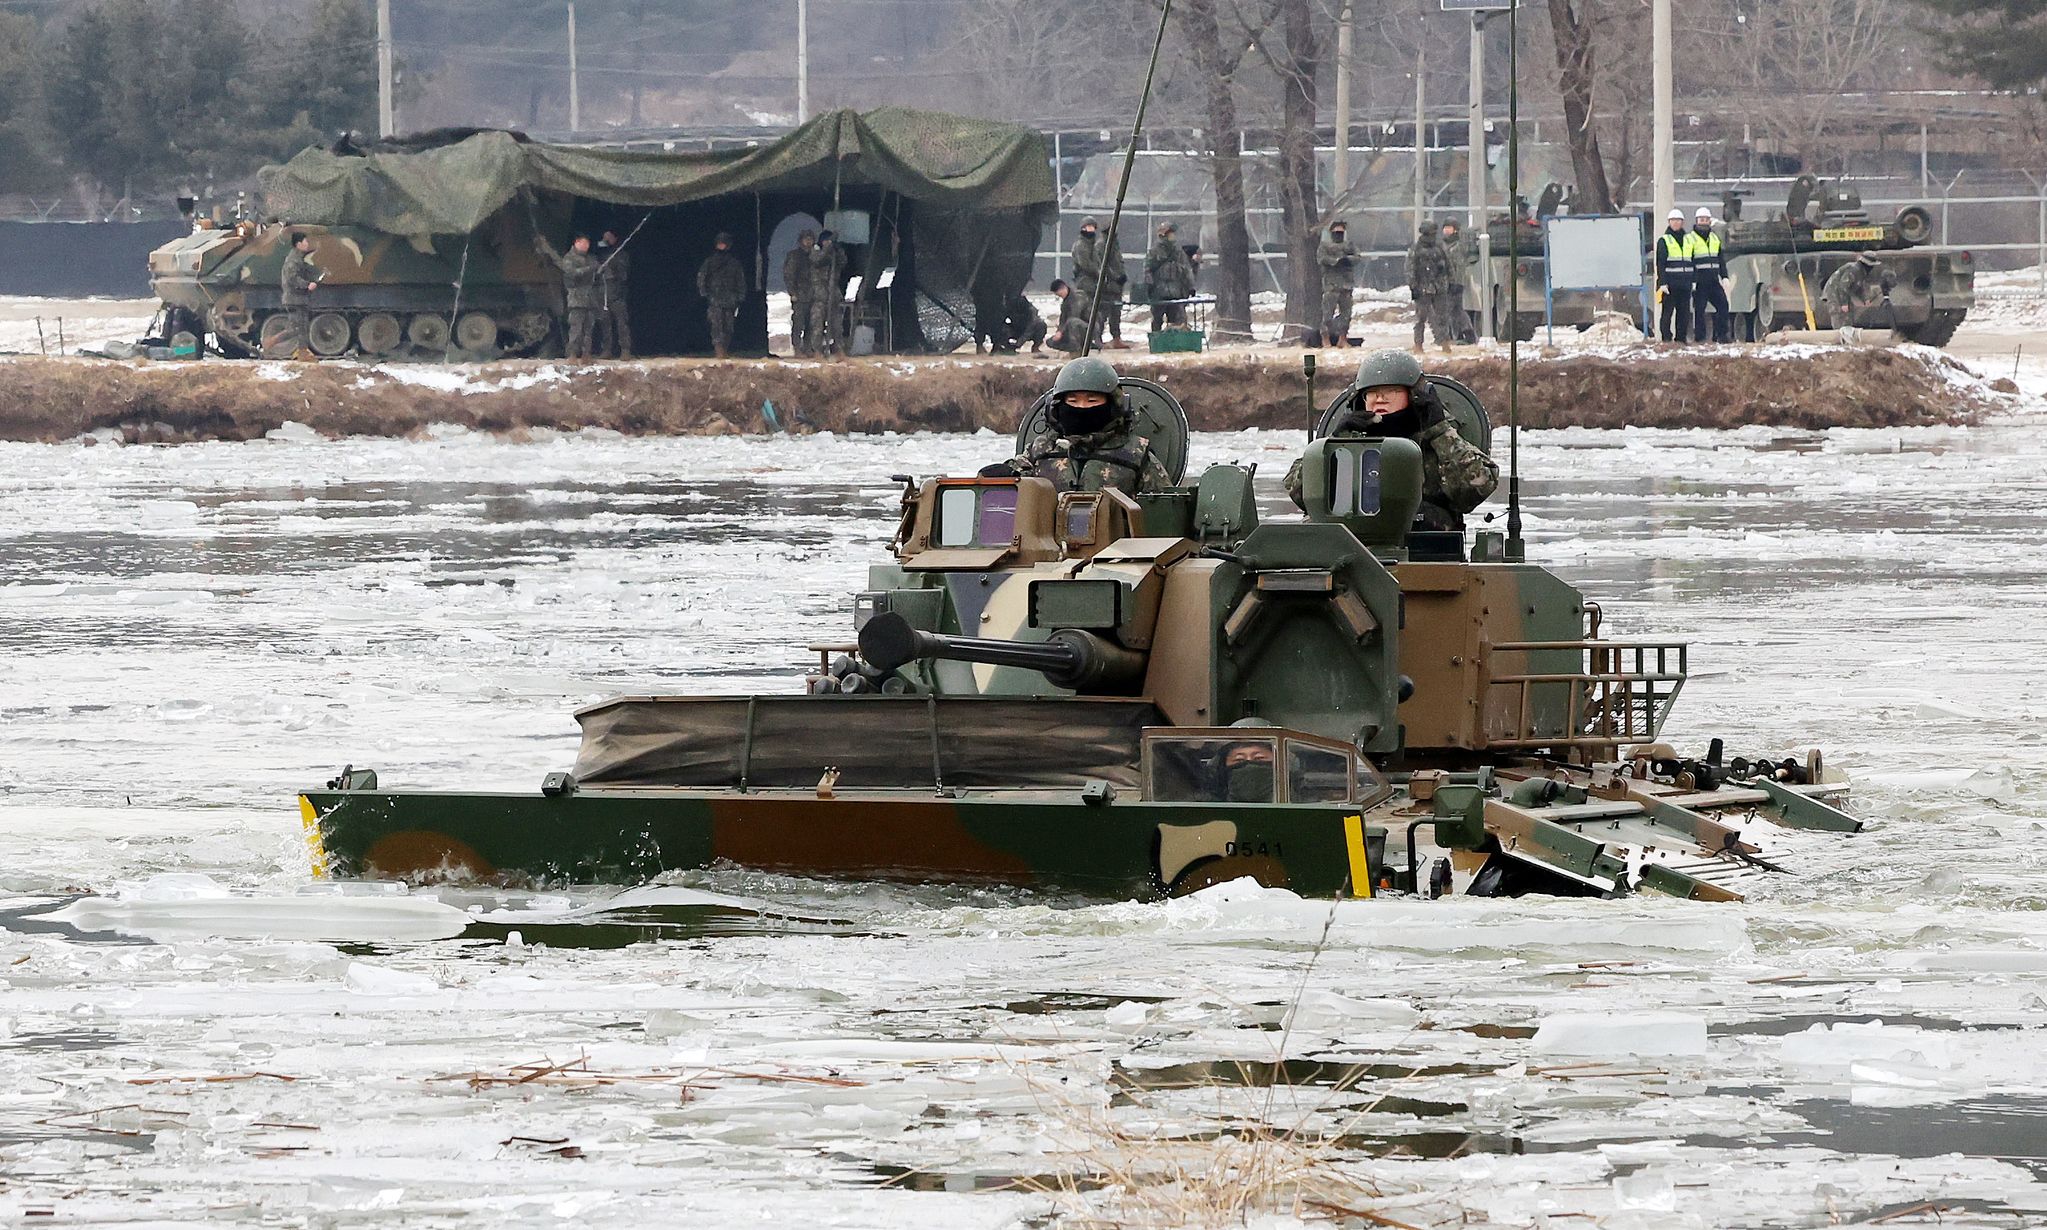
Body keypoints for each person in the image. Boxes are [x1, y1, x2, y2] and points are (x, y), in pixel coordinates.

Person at [1284, 348, 1499, 532]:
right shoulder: (1348, 444)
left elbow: (1476, 487)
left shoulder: (1435, 442)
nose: (1380, 398)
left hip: (1424, 548)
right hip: (1353, 544)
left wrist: (1440, 431)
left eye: (1392, 391)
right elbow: (1299, 491)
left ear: (1414, 395)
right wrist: (1337, 440)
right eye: (1372, 392)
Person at [990, 356, 1172, 494]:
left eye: (1092, 400)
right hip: (1048, 542)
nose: (1082, 408)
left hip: (1118, 543)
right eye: (1073, 400)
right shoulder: (1041, 450)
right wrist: (1001, 475)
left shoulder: (1136, 454)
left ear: (1114, 405)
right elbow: (1016, 479)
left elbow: (1164, 507)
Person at [535, 232, 601, 360]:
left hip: (589, 298)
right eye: (583, 243)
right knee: (576, 329)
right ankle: (572, 354)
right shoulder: (569, 259)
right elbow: (572, 273)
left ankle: (586, 354)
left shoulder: (590, 258)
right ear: (576, 243)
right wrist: (589, 269)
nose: (586, 246)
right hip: (576, 298)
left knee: (588, 329)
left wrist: (597, 270)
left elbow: (595, 274)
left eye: (587, 244)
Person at [1071, 218, 1129, 348]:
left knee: (1108, 312)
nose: (1091, 229)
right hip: (1087, 285)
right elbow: (1089, 265)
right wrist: (1105, 275)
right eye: (1088, 226)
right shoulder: (1088, 245)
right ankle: (1093, 339)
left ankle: (1107, 339)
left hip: (1099, 284)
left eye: (1093, 226)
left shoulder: (1095, 244)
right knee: (1095, 313)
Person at [1406, 222, 1456, 352]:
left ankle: (1445, 343)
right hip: (1423, 287)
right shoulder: (1416, 249)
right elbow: (1410, 268)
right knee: (1421, 318)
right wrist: (1413, 286)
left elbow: (1449, 264)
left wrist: (1451, 282)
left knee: (1442, 317)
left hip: (1439, 287)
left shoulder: (1439, 247)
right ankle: (1418, 345)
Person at [696, 231, 747, 359]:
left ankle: (725, 349)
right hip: (715, 299)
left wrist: (740, 296)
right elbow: (701, 278)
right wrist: (705, 294)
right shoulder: (710, 262)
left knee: (728, 327)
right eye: (720, 243)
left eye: (724, 243)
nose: (721, 246)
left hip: (730, 300)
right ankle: (719, 351)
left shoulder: (734, 264)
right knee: (717, 326)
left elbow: (740, 281)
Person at [1821, 251, 1900, 330]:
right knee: (1838, 313)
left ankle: (1848, 333)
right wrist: (1844, 303)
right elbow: (1843, 286)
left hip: (1844, 293)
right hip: (1834, 292)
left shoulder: (1861, 272)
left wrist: (1864, 299)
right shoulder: (1854, 269)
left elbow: (1859, 287)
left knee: (1849, 313)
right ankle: (1838, 334)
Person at [1688, 207, 1729, 344]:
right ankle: (1700, 337)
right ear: (1696, 221)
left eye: (1706, 220)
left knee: (1723, 305)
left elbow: (1720, 259)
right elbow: (1689, 260)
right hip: (1699, 281)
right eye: (1701, 220)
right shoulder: (1690, 239)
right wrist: (1692, 279)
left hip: (1713, 280)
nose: (1703, 222)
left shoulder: (1714, 238)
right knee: (1699, 310)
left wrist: (1724, 277)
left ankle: (1722, 335)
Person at [1317, 220, 1361, 348]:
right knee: (1327, 315)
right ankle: (1325, 338)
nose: (1339, 235)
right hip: (1331, 286)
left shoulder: (1349, 246)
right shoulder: (1325, 246)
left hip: (1346, 286)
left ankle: (1343, 338)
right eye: (1336, 232)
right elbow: (1321, 259)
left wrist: (1347, 260)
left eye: (1341, 233)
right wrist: (1335, 261)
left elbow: (1358, 257)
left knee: (1346, 315)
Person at [1146, 221, 1196, 330]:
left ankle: (1172, 344)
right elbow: (1147, 270)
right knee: (1157, 320)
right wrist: (1149, 286)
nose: (1173, 235)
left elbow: (1187, 269)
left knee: (1176, 323)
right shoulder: (1155, 251)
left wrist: (1191, 286)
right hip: (1159, 293)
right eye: (1170, 233)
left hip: (1176, 293)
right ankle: (1157, 342)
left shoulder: (1178, 251)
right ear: (1163, 235)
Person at [278, 231, 323, 356]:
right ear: (298, 244)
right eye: (305, 241)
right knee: (295, 328)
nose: (307, 243)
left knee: (302, 327)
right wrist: (307, 285)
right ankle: (270, 342)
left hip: (299, 298)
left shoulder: (299, 257)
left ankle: (303, 352)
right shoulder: (293, 259)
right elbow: (292, 278)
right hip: (294, 298)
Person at [1654, 209, 1693, 344]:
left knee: (1684, 314)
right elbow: (1660, 263)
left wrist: (1693, 280)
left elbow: (1692, 261)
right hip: (1670, 285)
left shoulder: (1688, 240)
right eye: (1673, 220)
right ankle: (1666, 339)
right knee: (1667, 313)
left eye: (1678, 220)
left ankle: (1681, 339)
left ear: (1682, 222)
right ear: (1669, 222)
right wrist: (1662, 283)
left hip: (1685, 284)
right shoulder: (1664, 241)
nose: (1676, 223)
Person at [807, 229, 847, 356]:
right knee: (817, 325)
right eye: (826, 241)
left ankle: (838, 348)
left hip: (833, 293)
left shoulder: (834, 254)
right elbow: (817, 261)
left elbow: (843, 262)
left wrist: (836, 248)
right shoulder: (816, 251)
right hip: (819, 294)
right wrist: (827, 249)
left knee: (837, 325)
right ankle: (817, 350)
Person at [594, 229, 632, 359]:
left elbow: (624, 275)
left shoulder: (621, 254)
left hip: (617, 294)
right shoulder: (599, 255)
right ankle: (606, 350)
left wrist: (613, 263)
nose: (606, 240)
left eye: (608, 238)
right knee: (605, 324)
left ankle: (625, 349)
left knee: (621, 323)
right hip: (603, 294)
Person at [1440, 219, 1476, 343]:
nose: (1446, 230)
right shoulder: (1444, 245)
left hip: (1454, 283)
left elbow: (1460, 266)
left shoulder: (1458, 246)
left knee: (1450, 310)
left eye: (1449, 228)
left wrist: (1456, 283)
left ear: (1455, 230)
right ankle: (1463, 334)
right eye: (1445, 228)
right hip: (1445, 283)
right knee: (1456, 310)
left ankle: (1452, 335)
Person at [784, 229, 818, 356]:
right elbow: (789, 275)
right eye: (806, 239)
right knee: (798, 322)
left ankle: (808, 347)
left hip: (813, 294)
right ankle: (797, 347)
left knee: (812, 323)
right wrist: (792, 292)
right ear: (801, 241)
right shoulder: (794, 256)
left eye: (810, 239)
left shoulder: (815, 256)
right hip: (799, 294)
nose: (808, 242)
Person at [1046, 279, 1091, 353]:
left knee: (1072, 322)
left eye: (1059, 294)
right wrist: (1059, 331)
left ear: (1063, 288)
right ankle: (1074, 347)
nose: (1060, 297)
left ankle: (1077, 350)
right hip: (1070, 329)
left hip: (1087, 327)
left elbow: (1075, 315)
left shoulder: (1078, 296)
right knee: (1051, 341)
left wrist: (1062, 331)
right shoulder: (1065, 302)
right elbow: (1063, 320)